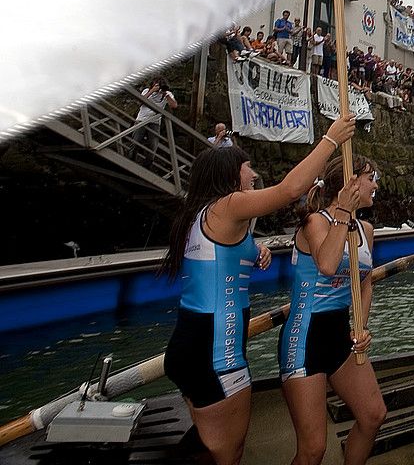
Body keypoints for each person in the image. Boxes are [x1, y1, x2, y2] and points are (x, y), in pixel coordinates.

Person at [159, 115, 356, 465]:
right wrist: (330, 140)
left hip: (188, 345)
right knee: (229, 455)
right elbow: (290, 190)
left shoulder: (201, 215)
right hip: (217, 353)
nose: (252, 176)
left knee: (211, 446)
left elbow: (222, 257)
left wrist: (257, 250)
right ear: (229, 175)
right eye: (247, 168)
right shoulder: (230, 205)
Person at [279, 155, 385, 465]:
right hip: (305, 337)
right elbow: (326, 265)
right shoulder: (316, 222)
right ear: (351, 183)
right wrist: (342, 211)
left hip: (340, 335)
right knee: (313, 449)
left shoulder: (366, 228)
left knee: (373, 415)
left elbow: (365, 283)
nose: (375, 184)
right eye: (370, 177)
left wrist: (361, 327)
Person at [129, 76, 178, 166]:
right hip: (141, 120)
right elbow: (139, 102)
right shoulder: (146, 91)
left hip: (155, 122)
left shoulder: (167, 93)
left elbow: (174, 106)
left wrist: (166, 95)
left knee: (153, 145)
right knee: (136, 141)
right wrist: (152, 91)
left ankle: (147, 165)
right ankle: (130, 160)